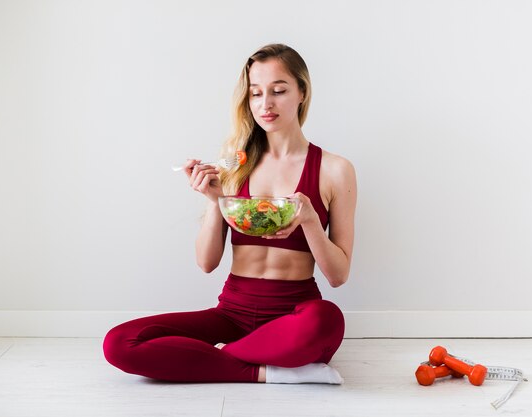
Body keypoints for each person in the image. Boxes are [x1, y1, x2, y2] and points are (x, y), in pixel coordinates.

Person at [103, 44, 357, 384]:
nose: (265, 104)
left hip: (295, 314)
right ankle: (267, 370)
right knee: (119, 343)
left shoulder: (335, 170)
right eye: (255, 94)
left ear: (301, 93)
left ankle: (220, 357)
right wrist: (214, 202)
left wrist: (310, 220)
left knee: (326, 321)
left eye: (278, 91)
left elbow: (338, 275)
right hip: (231, 314)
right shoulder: (234, 165)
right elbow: (206, 263)